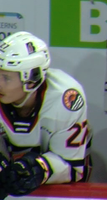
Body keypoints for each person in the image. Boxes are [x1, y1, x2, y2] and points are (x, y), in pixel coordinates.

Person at [0, 32, 91, 197]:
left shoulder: (66, 99)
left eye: (6, 78)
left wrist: (37, 169)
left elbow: (72, 167)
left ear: (32, 79)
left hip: (56, 190)